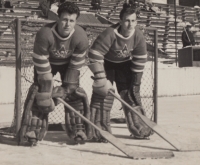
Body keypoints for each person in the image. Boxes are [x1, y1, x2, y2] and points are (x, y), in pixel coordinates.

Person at [18, 2, 92, 146]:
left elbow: (76, 64)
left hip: (68, 64)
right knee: (42, 93)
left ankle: (77, 128)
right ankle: (34, 129)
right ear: (58, 18)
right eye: (64, 19)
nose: (67, 24)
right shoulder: (45, 33)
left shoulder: (81, 36)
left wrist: (68, 88)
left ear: (76, 21)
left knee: (74, 93)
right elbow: (41, 60)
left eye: (72, 21)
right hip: (47, 63)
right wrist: (48, 89)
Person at [87, 2, 152, 142]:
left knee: (131, 95)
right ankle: (98, 130)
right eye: (127, 21)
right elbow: (94, 53)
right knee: (103, 95)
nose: (130, 24)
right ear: (121, 21)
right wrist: (101, 77)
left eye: (133, 21)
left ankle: (138, 127)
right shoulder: (110, 33)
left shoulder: (138, 35)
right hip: (107, 64)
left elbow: (140, 58)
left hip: (124, 65)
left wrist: (136, 81)